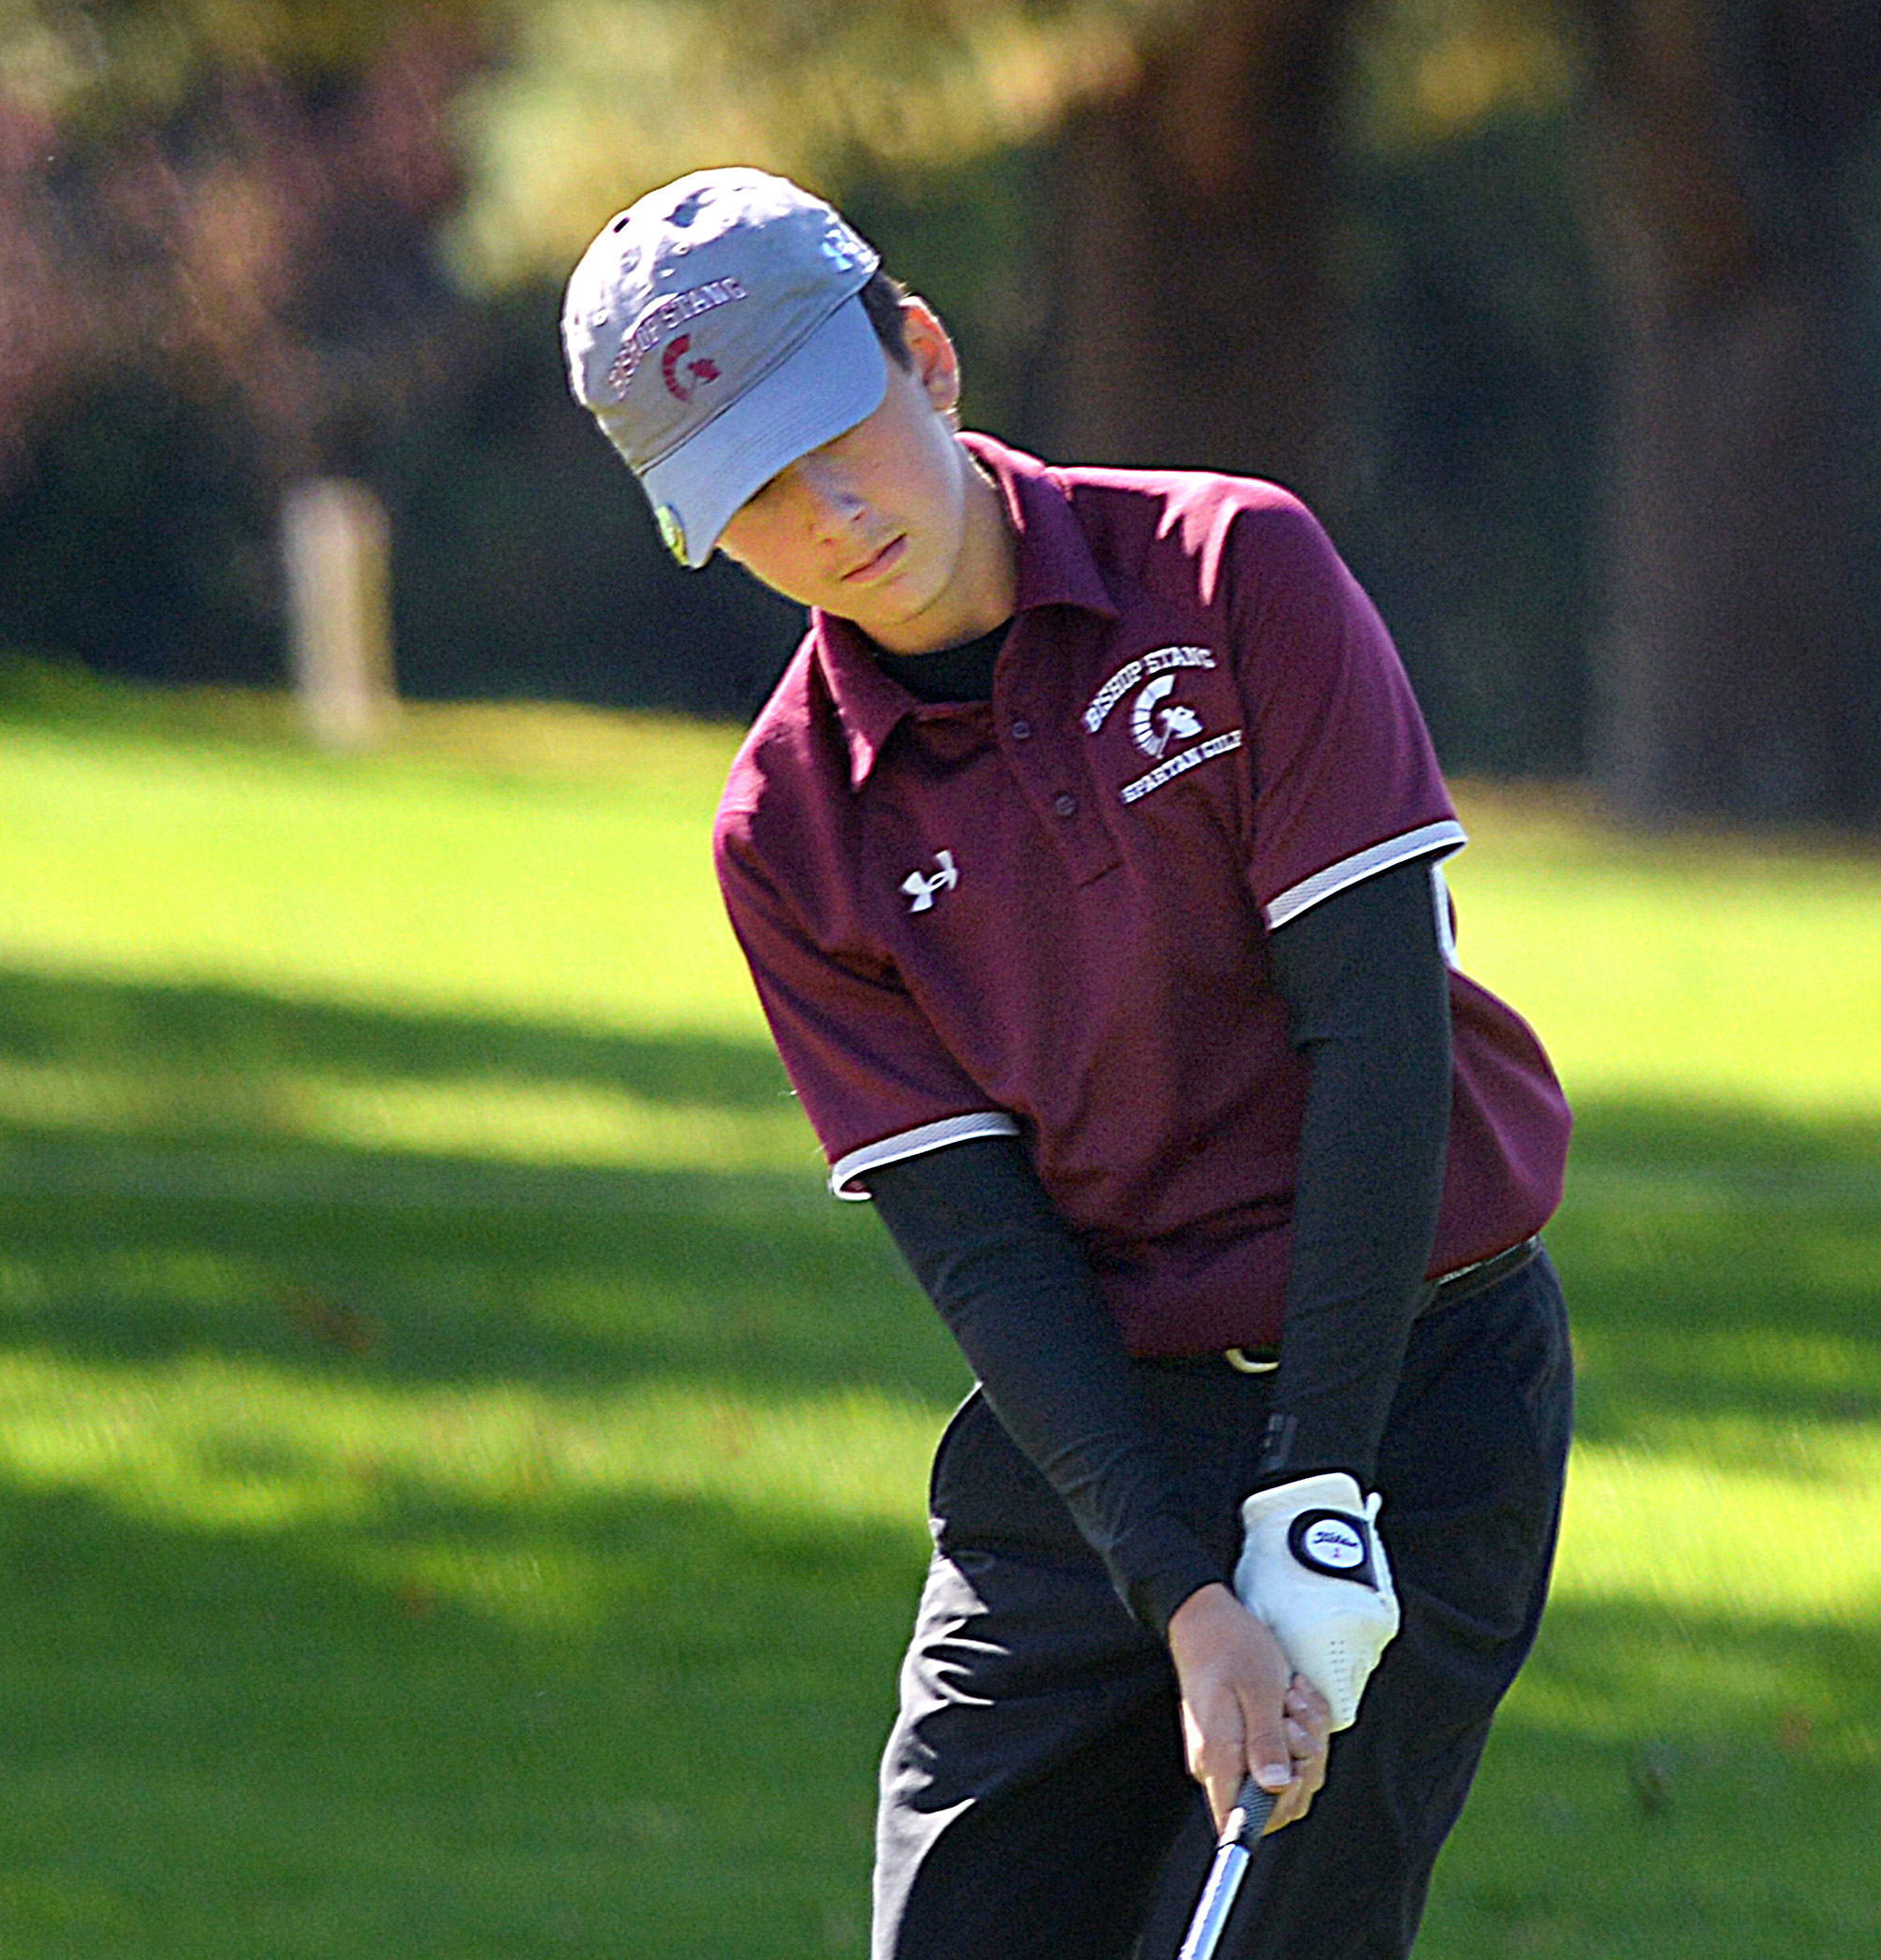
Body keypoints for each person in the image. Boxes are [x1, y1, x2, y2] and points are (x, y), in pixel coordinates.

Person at [561, 168, 1574, 1960]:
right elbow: (984, 1250)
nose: (829, 514)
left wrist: (1319, 1498)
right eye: (755, 496)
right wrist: (1184, 1590)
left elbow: (1377, 1048)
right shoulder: (789, 830)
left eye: (835, 432)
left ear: (926, 355)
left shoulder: (1232, 566)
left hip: (1410, 1376)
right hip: (1095, 1431)